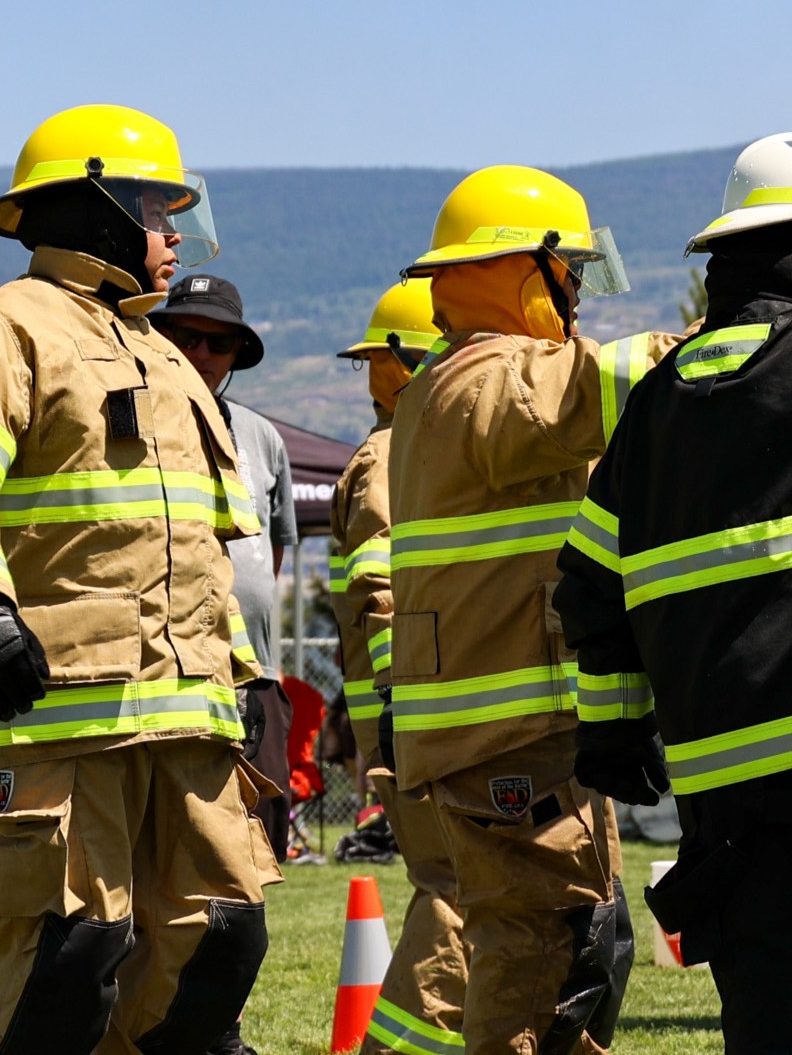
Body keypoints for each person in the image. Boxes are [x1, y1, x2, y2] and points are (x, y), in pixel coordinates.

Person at [0, 104, 280, 1055]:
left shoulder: (165, 357)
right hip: (61, 722)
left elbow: (197, 550)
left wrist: (246, 687)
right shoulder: (6, 325)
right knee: (69, 968)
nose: (176, 232)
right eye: (158, 206)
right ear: (97, 207)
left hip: (188, 722)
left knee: (219, 943)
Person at [555, 134, 792, 1054]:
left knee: (776, 1025)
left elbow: (589, 583)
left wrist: (616, 732)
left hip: (726, 788)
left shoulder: (652, 406)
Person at [388, 165, 680, 1055]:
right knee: (538, 961)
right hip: (508, 735)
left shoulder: (469, 384)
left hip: (534, 728)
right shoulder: (480, 381)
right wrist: (737, 336)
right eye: (573, 273)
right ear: (526, 270)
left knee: (583, 952)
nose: (582, 295)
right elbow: (614, 381)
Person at [325, 279, 472, 1055]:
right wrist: (399, 695)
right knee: (457, 895)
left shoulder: (410, 445)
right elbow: (381, 587)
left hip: (410, 715)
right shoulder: (390, 457)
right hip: (413, 718)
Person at [151, 274, 299, 859]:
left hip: (254, 670)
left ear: (238, 354)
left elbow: (273, 550)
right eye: (187, 336)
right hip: (173, 671)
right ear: (161, 337)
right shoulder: (137, 424)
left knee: (261, 836)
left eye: (219, 343)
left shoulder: (263, 437)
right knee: (178, 840)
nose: (201, 354)